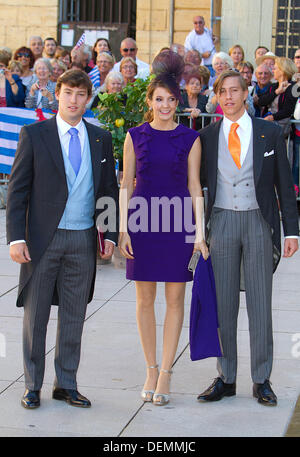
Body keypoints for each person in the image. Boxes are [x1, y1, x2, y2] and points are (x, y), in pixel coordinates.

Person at [6, 69, 119, 409]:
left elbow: (108, 190)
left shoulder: (100, 138)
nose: (74, 100)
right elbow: (18, 190)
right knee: (36, 314)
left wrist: (109, 232)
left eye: (81, 94)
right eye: (68, 92)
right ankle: (32, 385)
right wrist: (15, 239)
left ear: (88, 99)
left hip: (82, 239)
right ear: (58, 94)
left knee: (74, 314)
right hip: (43, 240)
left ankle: (66, 383)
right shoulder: (35, 134)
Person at [198, 70, 299, 406]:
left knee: (260, 305)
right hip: (222, 221)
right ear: (216, 96)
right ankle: (226, 377)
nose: (228, 97)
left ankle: (261, 379)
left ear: (246, 93)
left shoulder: (269, 132)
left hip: (258, 221)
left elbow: (285, 184)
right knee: (224, 305)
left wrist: (292, 231)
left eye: (234, 91)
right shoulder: (208, 136)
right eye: (222, 92)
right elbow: (193, 185)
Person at [119, 50, 209, 406]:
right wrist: (123, 229)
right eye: (159, 99)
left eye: (172, 99)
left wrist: (198, 233)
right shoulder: (134, 136)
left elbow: (194, 187)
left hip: (177, 225)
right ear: (150, 100)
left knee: (174, 300)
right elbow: (126, 184)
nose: (166, 105)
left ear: (178, 101)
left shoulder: (190, 139)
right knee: (144, 300)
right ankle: (150, 368)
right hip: (142, 224)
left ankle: (167, 373)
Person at [257, 57, 298, 132]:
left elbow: (288, 110)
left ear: (282, 71)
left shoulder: (294, 87)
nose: (273, 71)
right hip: (269, 125)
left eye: (275, 68)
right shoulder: (273, 86)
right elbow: (261, 102)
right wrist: (277, 92)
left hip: (283, 128)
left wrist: (272, 117)